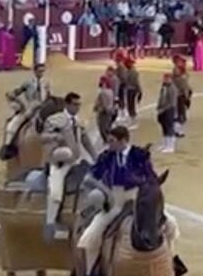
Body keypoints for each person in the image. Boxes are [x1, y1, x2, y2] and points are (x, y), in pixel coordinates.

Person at [79, 126, 159, 275]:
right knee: (90, 237)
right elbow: (89, 178)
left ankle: (170, 265)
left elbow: (151, 177)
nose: (109, 145)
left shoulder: (139, 155)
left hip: (138, 199)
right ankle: (91, 272)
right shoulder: (107, 156)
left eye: (112, 141)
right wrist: (103, 189)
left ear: (123, 141)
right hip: (116, 201)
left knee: (171, 226)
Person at [40, 92, 97, 239]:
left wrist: (96, 157)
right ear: (67, 105)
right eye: (75, 104)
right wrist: (55, 136)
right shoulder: (55, 120)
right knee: (55, 193)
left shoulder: (79, 121)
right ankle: (50, 225)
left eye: (79, 105)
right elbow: (43, 137)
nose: (78, 107)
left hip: (76, 161)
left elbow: (85, 141)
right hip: (60, 163)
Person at [2, 64, 52, 156]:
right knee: (17, 122)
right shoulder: (28, 82)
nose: (41, 73)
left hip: (43, 106)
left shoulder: (46, 82)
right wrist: (12, 96)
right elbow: (17, 92)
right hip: (31, 106)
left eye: (43, 71)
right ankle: (8, 146)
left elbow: (48, 95)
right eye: (39, 71)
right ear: (35, 71)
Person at [93, 73, 118, 144]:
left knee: (102, 128)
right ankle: (110, 141)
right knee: (107, 127)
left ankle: (107, 142)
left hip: (104, 113)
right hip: (110, 112)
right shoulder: (110, 91)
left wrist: (96, 108)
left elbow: (103, 104)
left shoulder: (102, 92)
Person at [156, 74, 178, 154]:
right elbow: (161, 98)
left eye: (167, 78)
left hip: (169, 110)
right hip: (163, 109)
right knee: (164, 127)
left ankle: (170, 146)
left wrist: (163, 109)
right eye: (164, 78)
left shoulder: (172, 88)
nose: (164, 80)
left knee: (169, 127)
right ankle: (165, 144)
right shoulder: (164, 87)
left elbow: (171, 102)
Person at [171, 56, 192, 137]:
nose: (184, 63)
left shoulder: (180, 72)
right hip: (180, 96)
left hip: (179, 95)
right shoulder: (179, 74)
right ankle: (177, 131)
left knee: (179, 114)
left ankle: (176, 130)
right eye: (181, 62)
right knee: (181, 115)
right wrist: (187, 98)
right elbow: (184, 87)